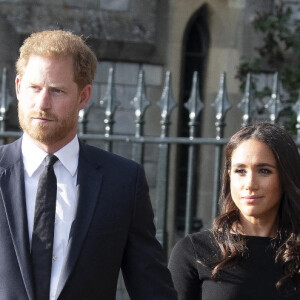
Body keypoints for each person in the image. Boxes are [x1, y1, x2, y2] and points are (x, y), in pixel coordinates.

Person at [0, 30, 177, 300]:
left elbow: (151, 288)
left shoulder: (123, 182)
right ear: (18, 87)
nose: (42, 103)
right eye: (34, 88)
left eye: (57, 91)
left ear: (84, 97)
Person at [169, 123, 300, 299]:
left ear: (286, 177)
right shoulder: (194, 252)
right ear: (229, 176)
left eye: (264, 171)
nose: (250, 184)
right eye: (240, 171)